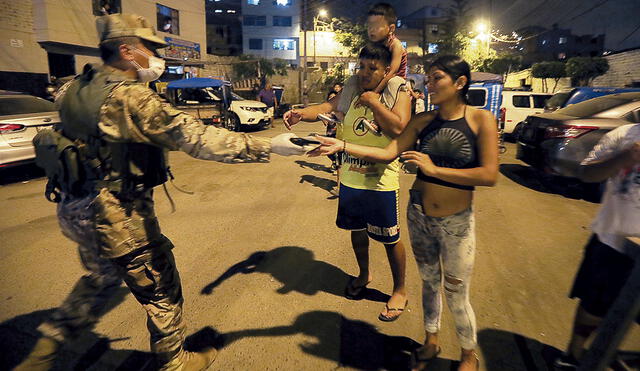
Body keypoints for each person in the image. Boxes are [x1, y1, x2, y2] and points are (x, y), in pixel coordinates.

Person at [15, 14, 311, 371]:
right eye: (151, 48)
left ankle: (41, 355)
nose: (158, 56)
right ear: (126, 50)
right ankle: (175, 362)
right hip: (117, 215)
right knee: (160, 287)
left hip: (75, 206)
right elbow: (197, 138)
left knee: (100, 278)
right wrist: (270, 146)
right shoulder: (130, 97)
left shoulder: (75, 86)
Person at [310, 55, 499, 371]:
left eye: (437, 77)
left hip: (456, 223)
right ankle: (431, 341)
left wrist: (433, 169)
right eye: (428, 77)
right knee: (428, 284)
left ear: (460, 83)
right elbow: (387, 152)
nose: (429, 83)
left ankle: (468, 355)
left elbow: (489, 174)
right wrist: (341, 147)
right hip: (420, 216)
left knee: (456, 292)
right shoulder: (423, 121)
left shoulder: (482, 120)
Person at [284, 43, 412, 321]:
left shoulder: (397, 91)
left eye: (372, 68)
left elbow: (400, 128)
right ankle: (364, 274)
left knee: (390, 239)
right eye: (361, 67)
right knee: (357, 233)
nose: (364, 73)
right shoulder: (352, 92)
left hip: (380, 182)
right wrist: (299, 114)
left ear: (385, 70)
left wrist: (375, 103)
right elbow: (326, 106)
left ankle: (399, 289)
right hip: (352, 179)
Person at [554, 124, 639, 369]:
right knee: (593, 305)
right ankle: (574, 354)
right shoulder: (623, 136)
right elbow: (586, 174)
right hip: (612, 240)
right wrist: (624, 157)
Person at [336, 2, 408, 116]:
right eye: (369, 26)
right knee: (352, 80)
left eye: (377, 26)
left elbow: (392, 73)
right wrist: (360, 90)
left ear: (391, 28)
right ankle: (341, 114)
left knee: (393, 83)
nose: (372, 30)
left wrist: (374, 93)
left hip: (394, 82)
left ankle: (382, 119)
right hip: (378, 80)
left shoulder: (396, 45)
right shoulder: (373, 45)